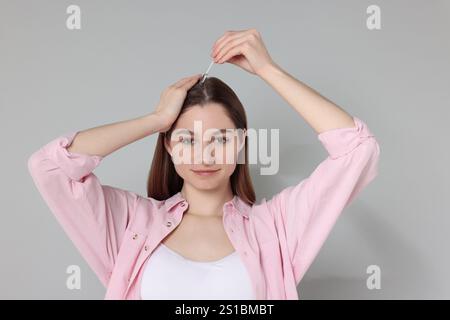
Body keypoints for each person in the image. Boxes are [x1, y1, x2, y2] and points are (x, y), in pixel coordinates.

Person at [27, 28, 380, 300]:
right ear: (168, 146)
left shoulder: (275, 229)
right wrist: (155, 119)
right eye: (187, 139)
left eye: (221, 139)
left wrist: (267, 70)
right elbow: (51, 166)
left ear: (241, 143)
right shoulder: (131, 224)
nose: (204, 155)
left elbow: (357, 148)